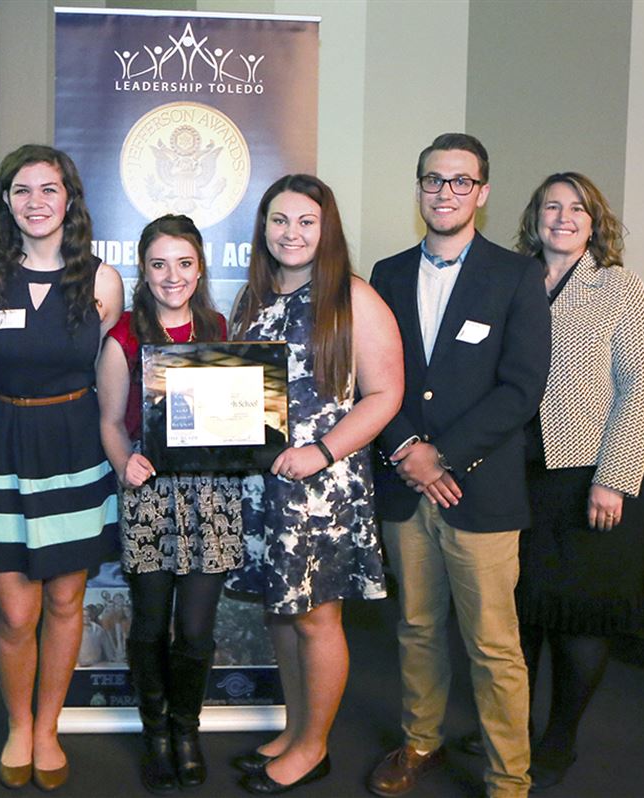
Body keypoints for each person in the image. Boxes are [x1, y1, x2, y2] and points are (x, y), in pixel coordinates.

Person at [366, 133, 551, 798]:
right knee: (417, 628)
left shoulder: (516, 275)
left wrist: (439, 455)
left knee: (493, 645)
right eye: (433, 180)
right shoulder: (386, 274)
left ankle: (509, 779)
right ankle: (421, 740)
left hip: (481, 490)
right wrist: (405, 451)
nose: (445, 192)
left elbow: (521, 388)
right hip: (403, 488)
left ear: (483, 192)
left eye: (460, 181)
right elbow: (370, 376)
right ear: (419, 188)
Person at [226, 175, 404, 795]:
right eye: (280, 220)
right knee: (282, 612)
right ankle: (295, 729)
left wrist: (321, 452)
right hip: (263, 483)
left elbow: (385, 394)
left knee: (316, 619)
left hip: (323, 487)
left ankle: (313, 746)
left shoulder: (354, 297)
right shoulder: (251, 298)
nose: (292, 233)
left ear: (326, 229)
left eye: (306, 221)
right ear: (264, 228)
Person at [0, 144, 124, 791]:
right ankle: (18, 724)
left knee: (63, 600)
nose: (36, 202)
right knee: (13, 612)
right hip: (3, 445)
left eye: (48, 189)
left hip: (75, 448)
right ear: (5, 201)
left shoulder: (103, 281)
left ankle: (48, 727)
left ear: (69, 199)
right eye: (22, 190)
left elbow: (108, 373)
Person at [508, 172, 644, 789]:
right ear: (535, 218)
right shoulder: (513, 281)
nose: (563, 217)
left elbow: (640, 388)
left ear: (594, 222)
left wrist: (613, 478)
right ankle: (512, 730)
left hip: (585, 478)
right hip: (514, 476)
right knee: (518, 617)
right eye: (552, 206)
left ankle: (559, 740)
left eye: (577, 208)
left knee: (578, 620)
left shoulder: (619, 287)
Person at [96, 214, 245, 792]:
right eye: (159, 264)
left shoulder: (218, 328)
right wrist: (123, 463)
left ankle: (187, 729)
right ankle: (155, 732)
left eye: (184, 263)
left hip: (212, 491)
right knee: (151, 623)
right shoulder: (124, 336)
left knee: (197, 628)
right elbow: (111, 422)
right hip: (150, 490)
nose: (172, 275)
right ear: (144, 269)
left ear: (200, 267)